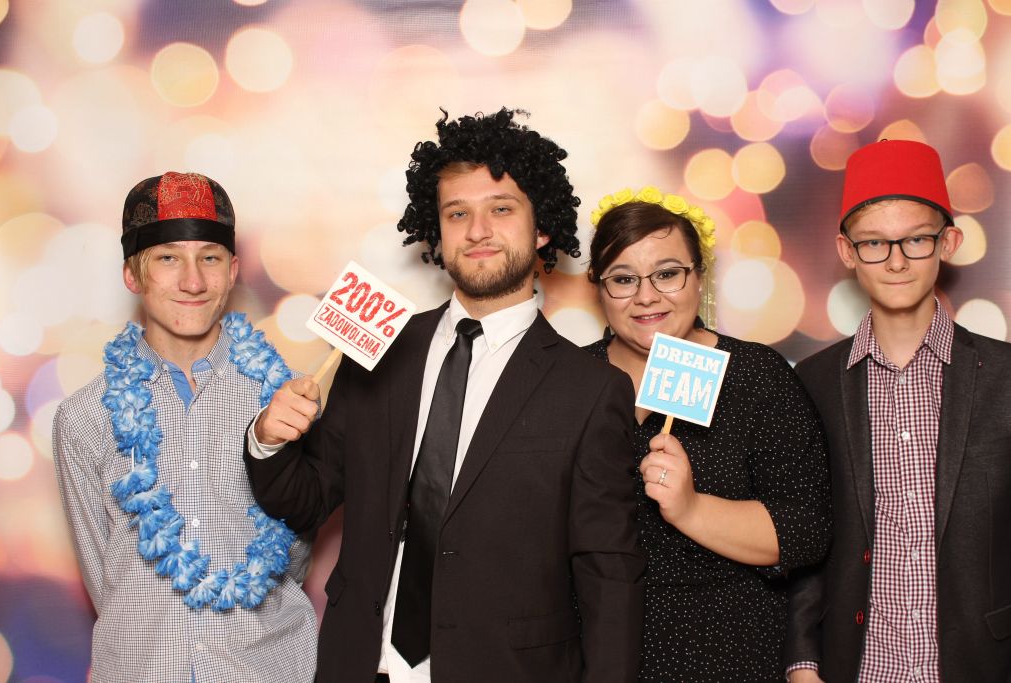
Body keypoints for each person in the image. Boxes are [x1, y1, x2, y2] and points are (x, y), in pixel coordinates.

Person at [244, 108, 645, 683]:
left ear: (541, 228)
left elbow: (609, 573)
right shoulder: (377, 351)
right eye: (458, 213)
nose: (477, 231)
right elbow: (305, 502)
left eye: (501, 209)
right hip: (362, 664)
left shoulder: (589, 388)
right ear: (437, 230)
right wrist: (268, 440)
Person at [52, 172, 317, 682]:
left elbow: (295, 551)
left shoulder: (286, 402)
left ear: (233, 271)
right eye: (168, 259)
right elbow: (104, 577)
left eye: (209, 258)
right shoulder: (83, 417)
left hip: (264, 669)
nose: (193, 282)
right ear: (133, 275)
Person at [583, 186, 831, 682]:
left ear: (698, 276)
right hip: (594, 655)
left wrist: (691, 509)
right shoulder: (567, 380)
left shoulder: (756, 376)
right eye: (624, 279)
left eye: (667, 274)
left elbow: (806, 532)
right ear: (599, 288)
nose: (647, 296)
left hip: (725, 654)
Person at [785, 139, 1011, 681]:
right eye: (874, 243)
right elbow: (803, 533)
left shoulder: (1004, 376)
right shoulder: (813, 382)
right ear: (846, 251)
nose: (895, 261)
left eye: (915, 239)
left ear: (947, 242)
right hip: (858, 667)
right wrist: (801, 660)